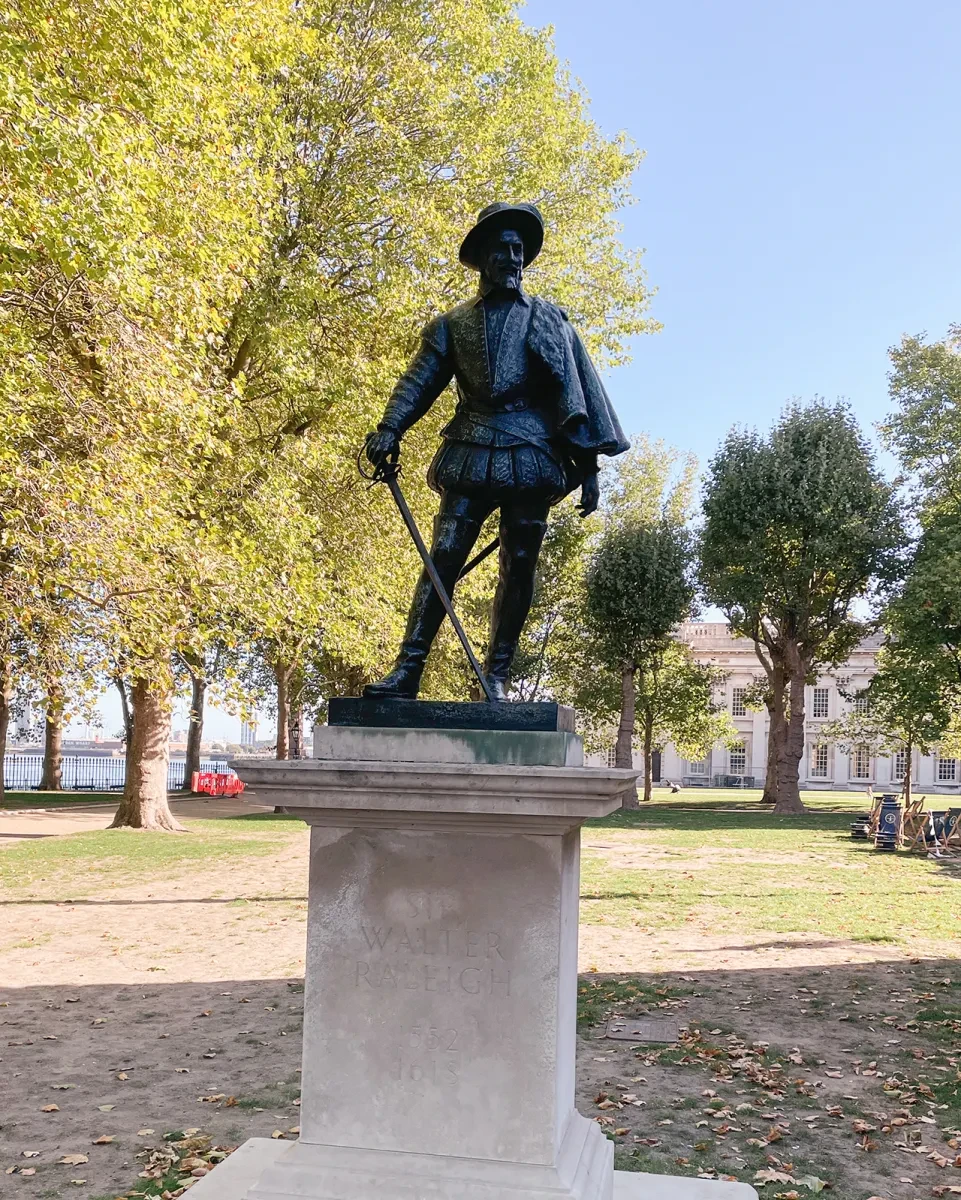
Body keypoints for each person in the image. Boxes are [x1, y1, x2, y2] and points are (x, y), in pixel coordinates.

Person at [365, 202, 628, 701]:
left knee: (520, 561)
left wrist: (589, 468)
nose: (513, 258)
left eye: (519, 249)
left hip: (531, 454)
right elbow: (419, 382)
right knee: (444, 555)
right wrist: (390, 427)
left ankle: (498, 674)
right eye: (504, 249)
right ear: (484, 257)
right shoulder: (452, 325)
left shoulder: (549, 320)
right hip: (471, 447)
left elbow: (573, 394)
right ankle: (408, 669)